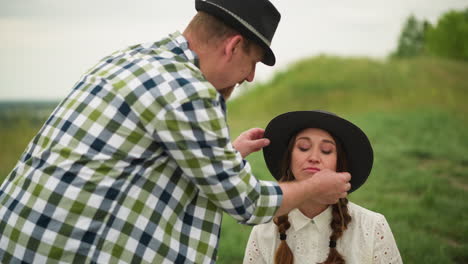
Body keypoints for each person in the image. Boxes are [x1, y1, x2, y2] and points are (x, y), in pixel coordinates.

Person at [0, 1, 351, 264]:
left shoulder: (130, 59)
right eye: (253, 62)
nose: (249, 78)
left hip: (22, 243)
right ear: (232, 46)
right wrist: (315, 187)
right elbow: (246, 203)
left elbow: (144, 158)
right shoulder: (190, 90)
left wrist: (227, 154)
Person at [243, 110, 402, 264]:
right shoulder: (263, 230)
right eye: (304, 147)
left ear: (339, 165)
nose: (313, 158)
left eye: (326, 150)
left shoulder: (373, 226)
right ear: (289, 160)